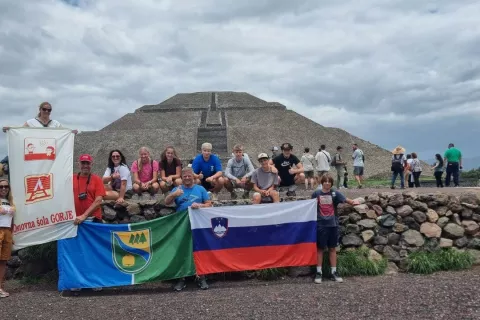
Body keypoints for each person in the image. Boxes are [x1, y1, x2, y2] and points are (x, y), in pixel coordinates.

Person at [165, 167, 212, 291]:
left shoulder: (200, 189)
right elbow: (166, 202)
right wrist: (173, 194)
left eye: (189, 176)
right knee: (182, 250)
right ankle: (182, 278)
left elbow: (209, 204)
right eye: (184, 176)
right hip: (181, 226)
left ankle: (201, 277)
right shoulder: (178, 189)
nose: (187, 178)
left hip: (198, 225)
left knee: (199, 250)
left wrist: (200, 205)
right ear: (181, 178)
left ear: (193, 177)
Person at [311, 174, 360, 284]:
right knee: (320, 249)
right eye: (325, 181)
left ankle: (334, 272)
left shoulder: (335, 193)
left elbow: (345, 199)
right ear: (322, 182)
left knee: (332, 248)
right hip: (321, 225)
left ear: (332, 183)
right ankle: (319, 272)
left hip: (333, 225)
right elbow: (310, 206)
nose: (327, 183)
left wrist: (353, 202)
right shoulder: (316, 193)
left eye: (329, 181)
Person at [3, 102, 77, 134]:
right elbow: (20, 131)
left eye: (49, 110)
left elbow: (64, 132)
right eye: (44, 109)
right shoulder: (30, 122)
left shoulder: (56, 124)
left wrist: (71, 132)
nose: (46, 111)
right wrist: (10, 129)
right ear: (40, 110)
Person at [0, 178, 14, 298]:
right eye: (1, 186)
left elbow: (12, 219)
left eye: (6, 186)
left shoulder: (10, 201)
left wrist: (12, 232)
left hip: (7, 231)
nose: (3, 188)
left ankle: (0, 287)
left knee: (4, 261)